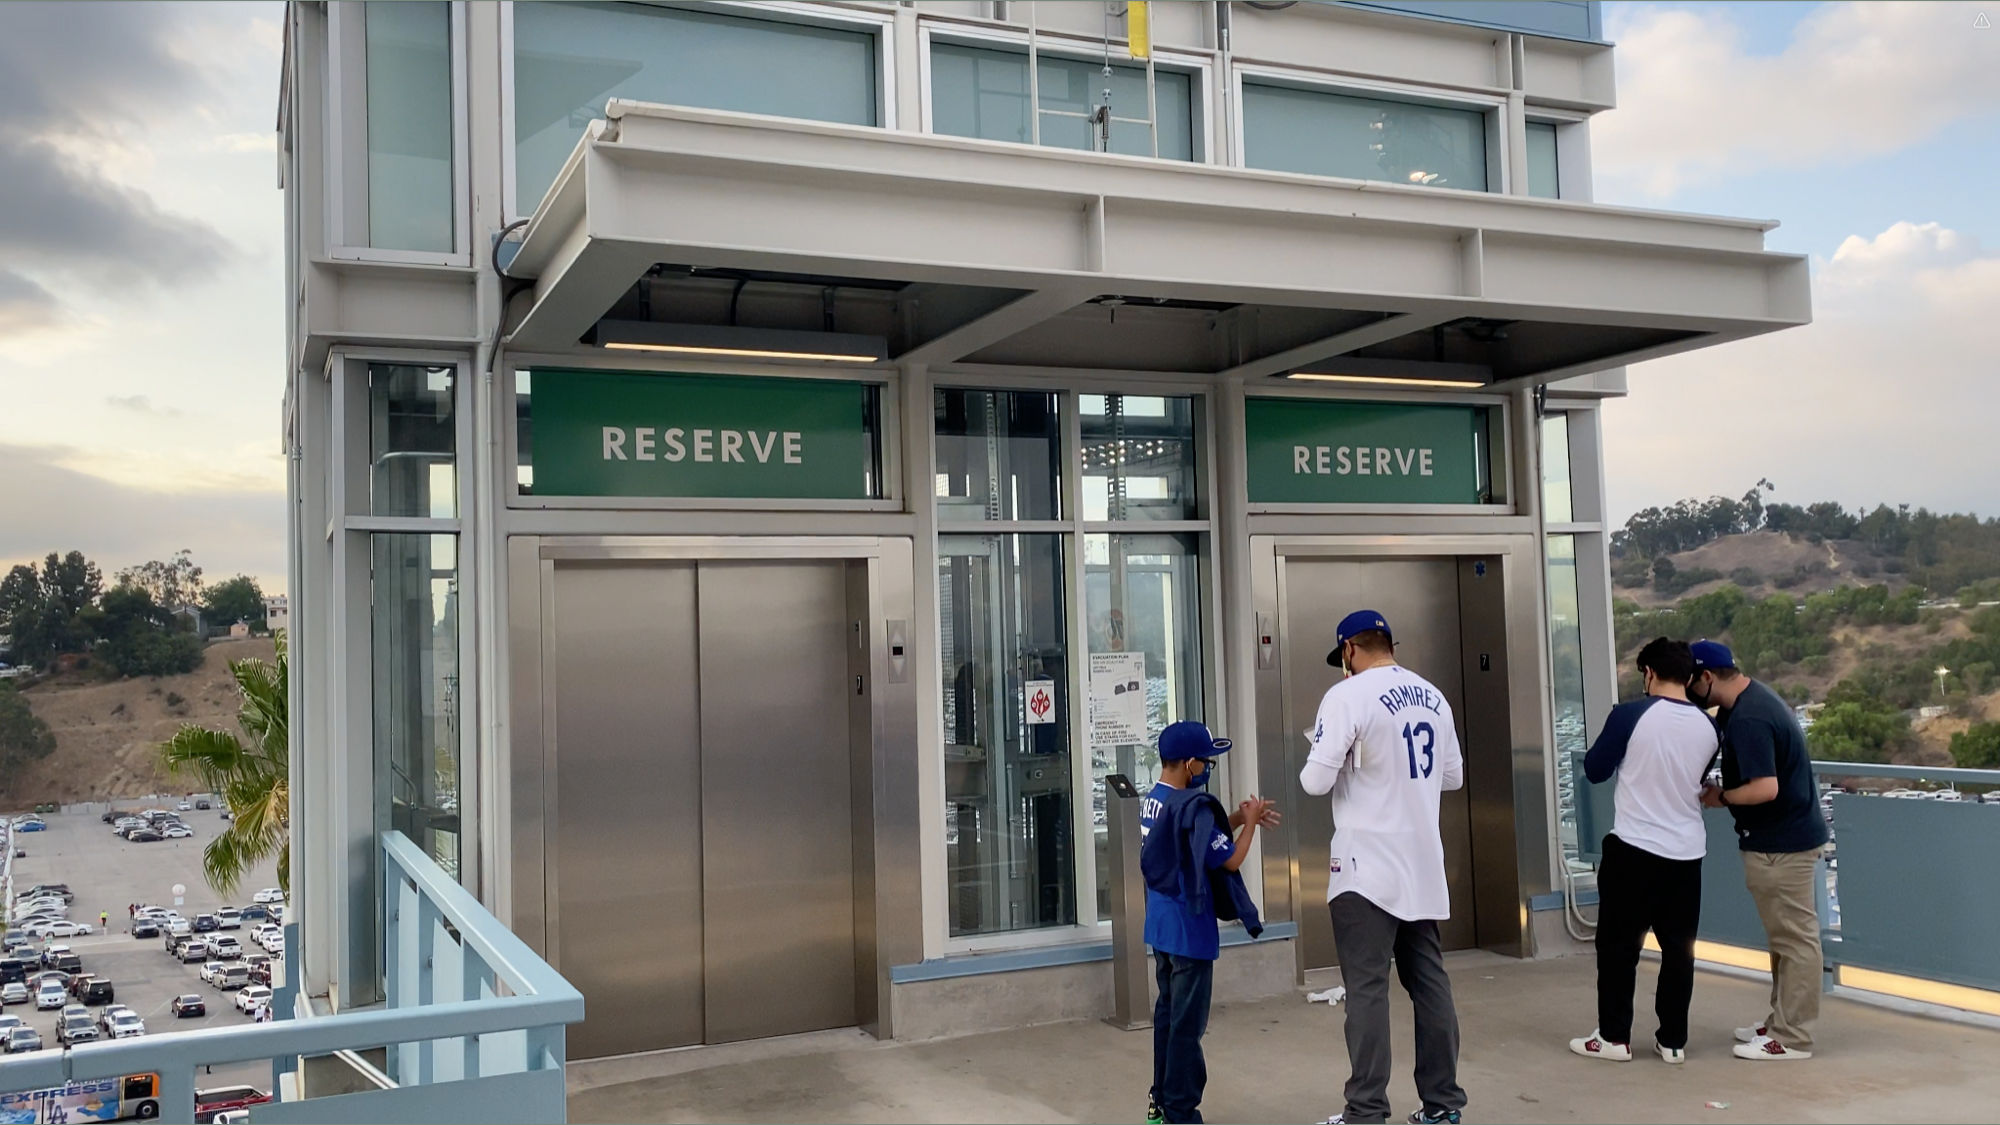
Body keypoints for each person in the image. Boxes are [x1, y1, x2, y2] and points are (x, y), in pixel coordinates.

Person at [1301, 611, 1467, 1125]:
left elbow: (1314, 781)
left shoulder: (1347, 696)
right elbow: (1453, 777)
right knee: (1429, 984)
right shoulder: (1432, 695)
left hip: (1364, 865)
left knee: (1367, 989)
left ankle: (1366, 1111)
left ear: (1349, 649)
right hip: (1421, 862)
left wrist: (1350, 755)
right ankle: (1443, 1105)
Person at [1568, 638, 1719, 1065]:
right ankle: (1673, 1040)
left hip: (1633, 848)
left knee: (1618, 948)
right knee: (1678, 950)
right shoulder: (1710, 728)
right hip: (1687, 853)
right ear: (1689, 678)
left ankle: (1614, 1037)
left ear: (1649, 674)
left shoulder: (1629, 716)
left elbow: (1595, 769)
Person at [1692, 639, 1830, 1061]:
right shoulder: (1750, 700)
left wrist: (1723, 797)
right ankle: (1781, 1019)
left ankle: (1793, 1037)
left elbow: (1765, 787)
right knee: (1783, 939)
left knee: (1796, 940)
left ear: (1707, 677)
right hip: (1781, 840)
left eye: (1690, 681)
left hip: (1782, 845)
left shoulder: (1750, 717)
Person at [1139, 720, 1279, 1125]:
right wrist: (1250, 825)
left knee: (1167, 1018)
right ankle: (1183, 1112)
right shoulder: (1192, 805)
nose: (1208, 768)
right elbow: (1230, 859)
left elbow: (1196, 838)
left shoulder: (1156, 800)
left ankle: (1161, 1102)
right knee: (1187, 1027)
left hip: (1161, 930)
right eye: (1206, 761)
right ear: (1188, 764)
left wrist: (1236, 816)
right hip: (1190, 933)